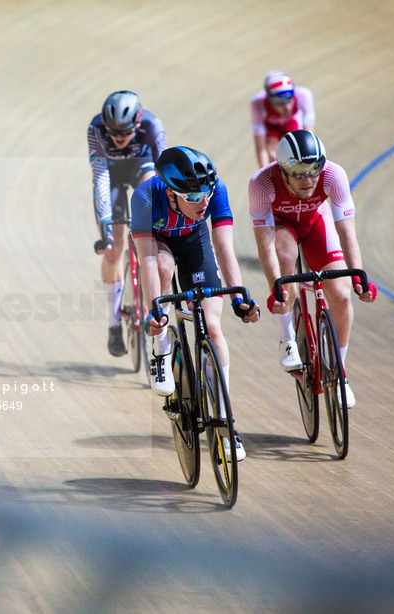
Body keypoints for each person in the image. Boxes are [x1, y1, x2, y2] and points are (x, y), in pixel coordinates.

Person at [131, 147, 259, 460]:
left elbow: (224, 247)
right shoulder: (146, 196)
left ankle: (226, 421)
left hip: (193, 242)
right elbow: (146, 259)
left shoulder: (215, 190)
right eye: (193, 198)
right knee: (162, 268)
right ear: (172, 194)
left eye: (206, 194)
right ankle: (161, 349)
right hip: (158, 243)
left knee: (212, 326)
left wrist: (238, 296)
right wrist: (154, 311)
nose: (203, 203)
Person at [249, 129, 377, 408]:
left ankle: (340, 374)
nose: (308, 179)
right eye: (298, 173)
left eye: (313, 170)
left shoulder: (333, 175)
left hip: (316, 221)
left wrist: (359, 277)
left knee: (341, 297)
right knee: (284, 255)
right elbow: (265, 245)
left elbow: (346, 233)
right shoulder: (262, 184)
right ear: (283, 170)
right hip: (281, 224)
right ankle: (287, 339)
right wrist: (277, 288)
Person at [87, 90, 167, 356]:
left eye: (124, 134)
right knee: (113, 250)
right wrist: (106, 227)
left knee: (151, 181)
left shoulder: (152, 126)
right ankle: (113, 324)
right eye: (113, 134)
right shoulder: (96, 128)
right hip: (110, 175)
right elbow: (99, 177)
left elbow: (164, 174)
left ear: (137, 124)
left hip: (141, 167)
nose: (118, 139)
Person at [250, 71, 315, 168]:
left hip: (292, 122)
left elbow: (309, 137)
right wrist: (264, 173)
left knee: (298, 149)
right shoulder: (258, 102)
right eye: (280, 103)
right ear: (269, 99)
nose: (287, 107)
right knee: (272, 152)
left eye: (289, 99)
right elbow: (260, 146)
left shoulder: (303, 95)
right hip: (272, 127)